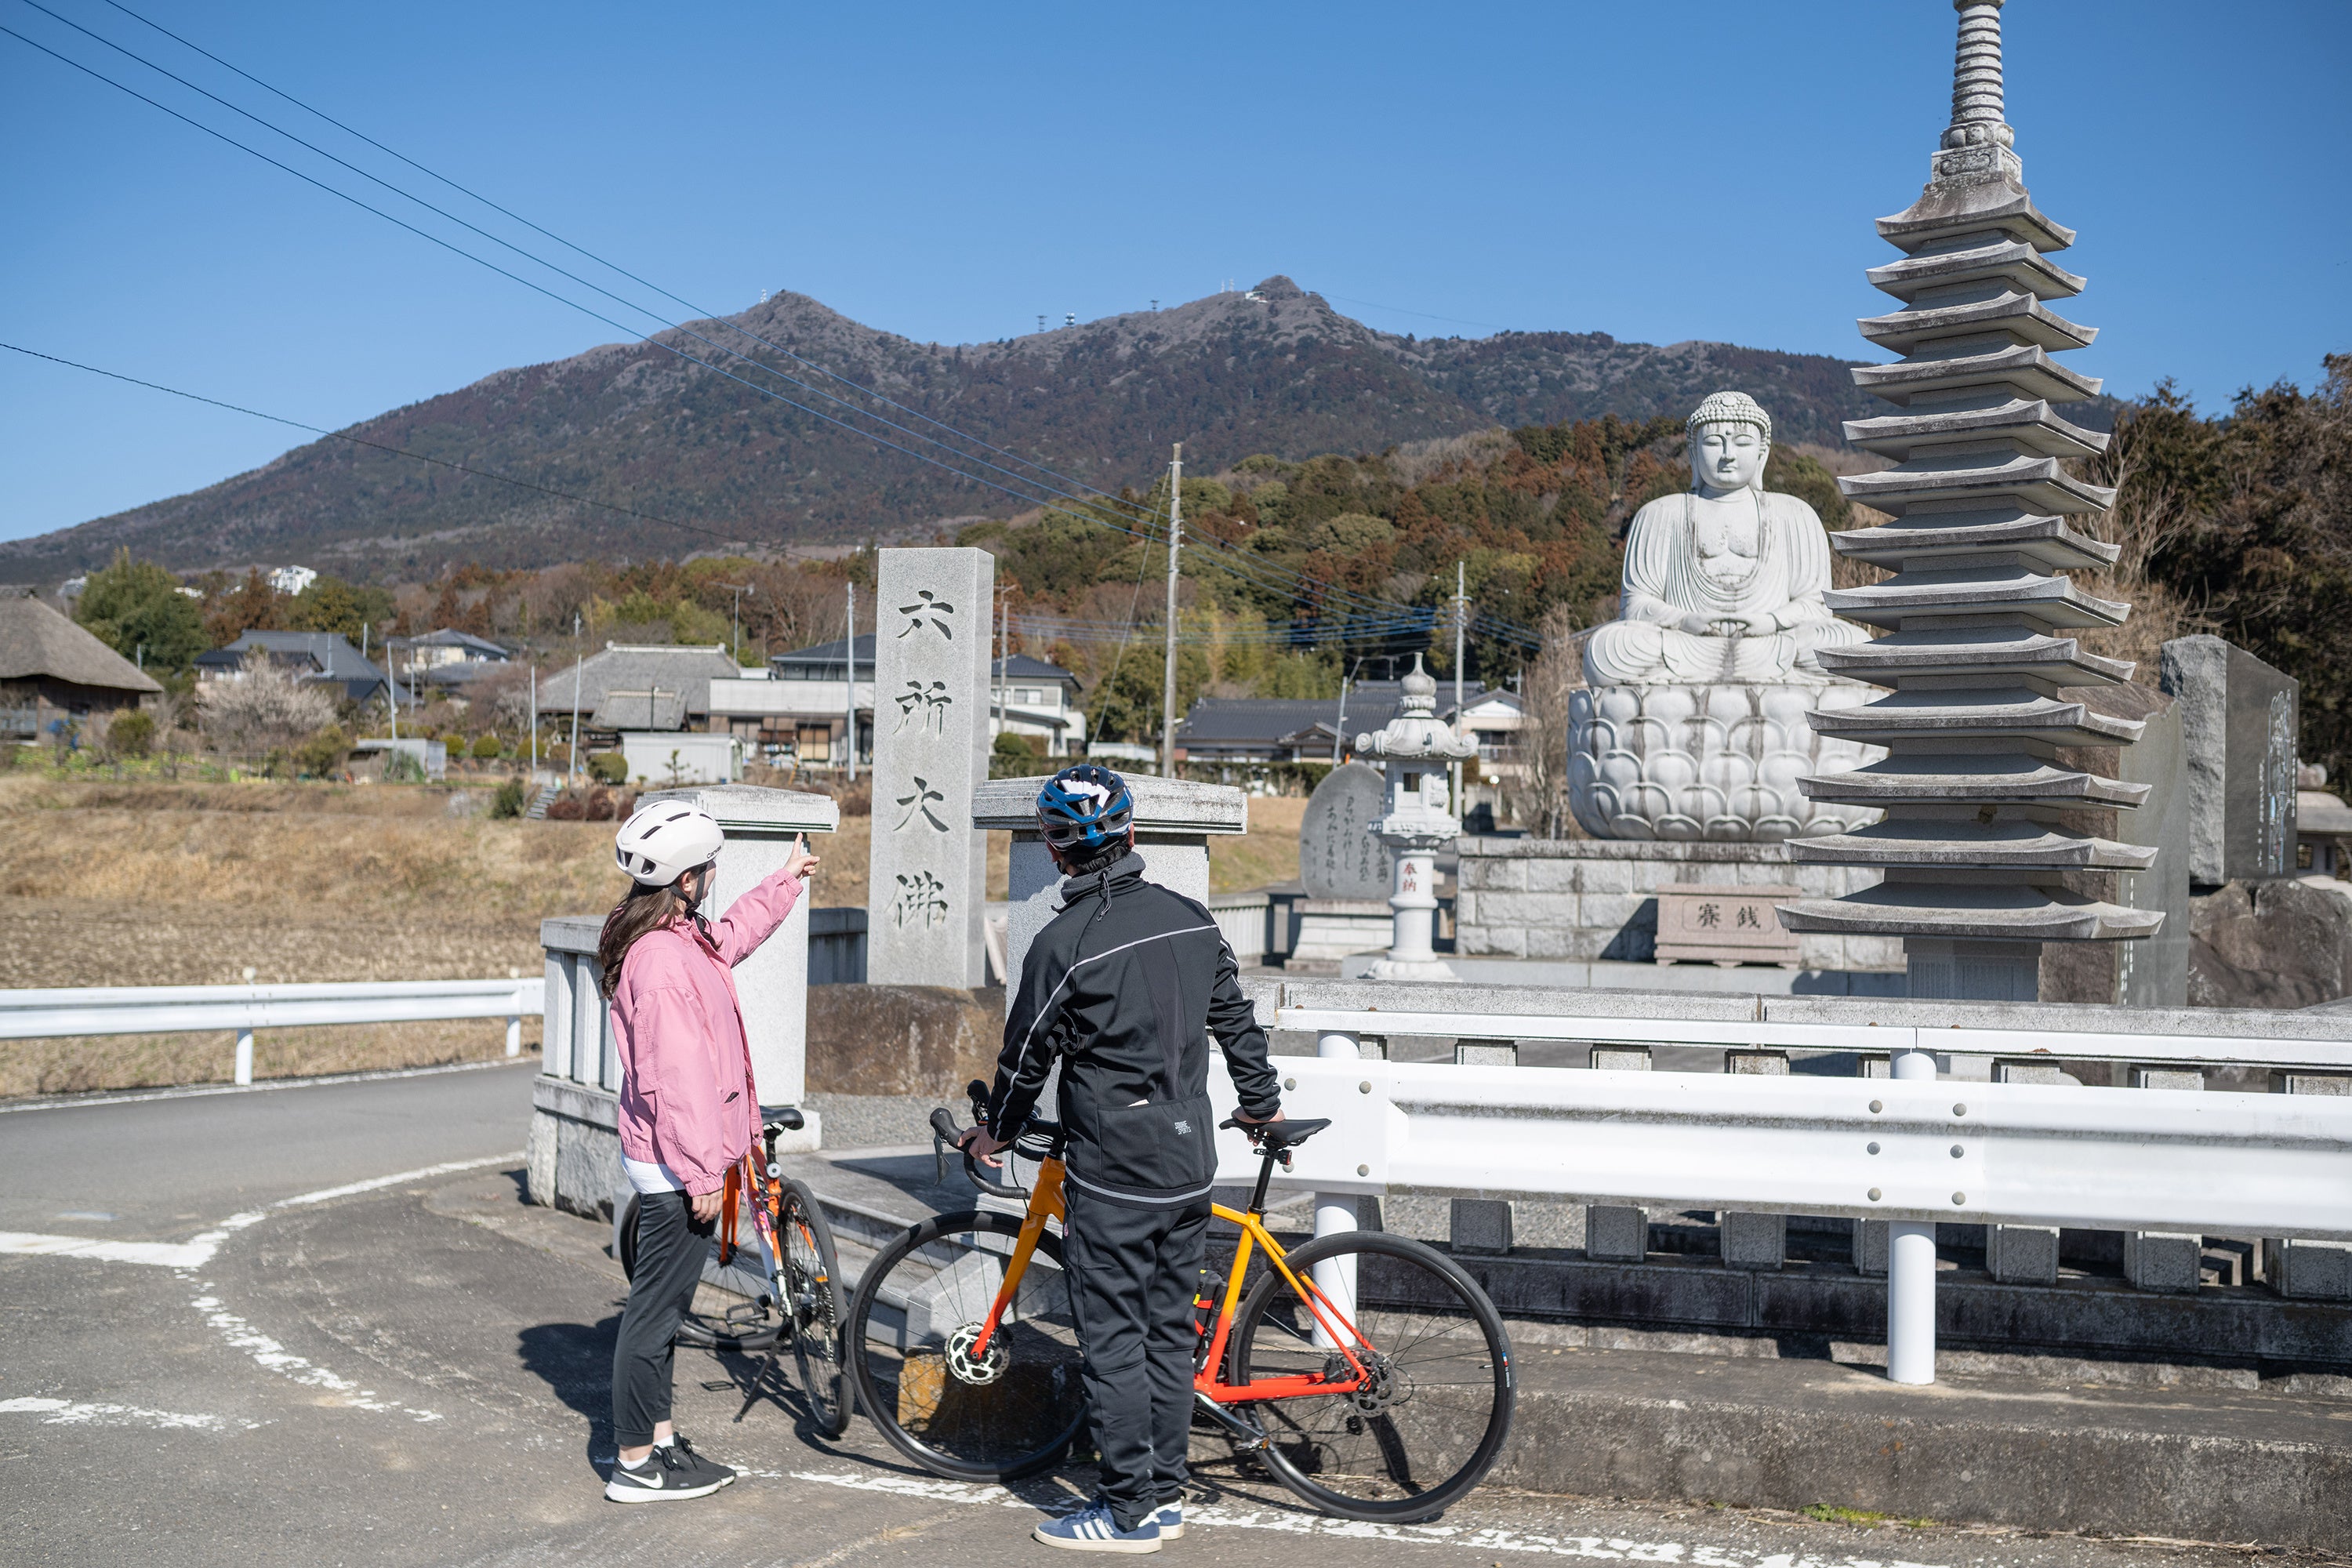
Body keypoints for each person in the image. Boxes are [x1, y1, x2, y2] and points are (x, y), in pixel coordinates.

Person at [960, 764, 1282, 1554]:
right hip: (1191, 1159)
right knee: (1168, 1335)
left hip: (1113, 1169)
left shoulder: (1063, 944)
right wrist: (1261, 1101)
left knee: (1113, 1343)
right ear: (1131, 833)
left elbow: (1025, 1058)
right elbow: (1237, 1021)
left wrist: (995, 1132)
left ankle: (1127, 1510)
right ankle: (1164, 1495)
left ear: (1056, 849)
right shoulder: (1190, 918)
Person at [598, 800, 817, 1504]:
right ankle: (635, 1464)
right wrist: (700, 1177)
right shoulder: (662, 961)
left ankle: (659, 1443)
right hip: (675, 1165)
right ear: (686, 880)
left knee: (663, 1311)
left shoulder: (671, 932)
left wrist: (784, 880)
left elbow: (732, 937)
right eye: (710, 868)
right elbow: (678, 1080)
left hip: (673, 1157)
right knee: (653, 1317)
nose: (716, 876)